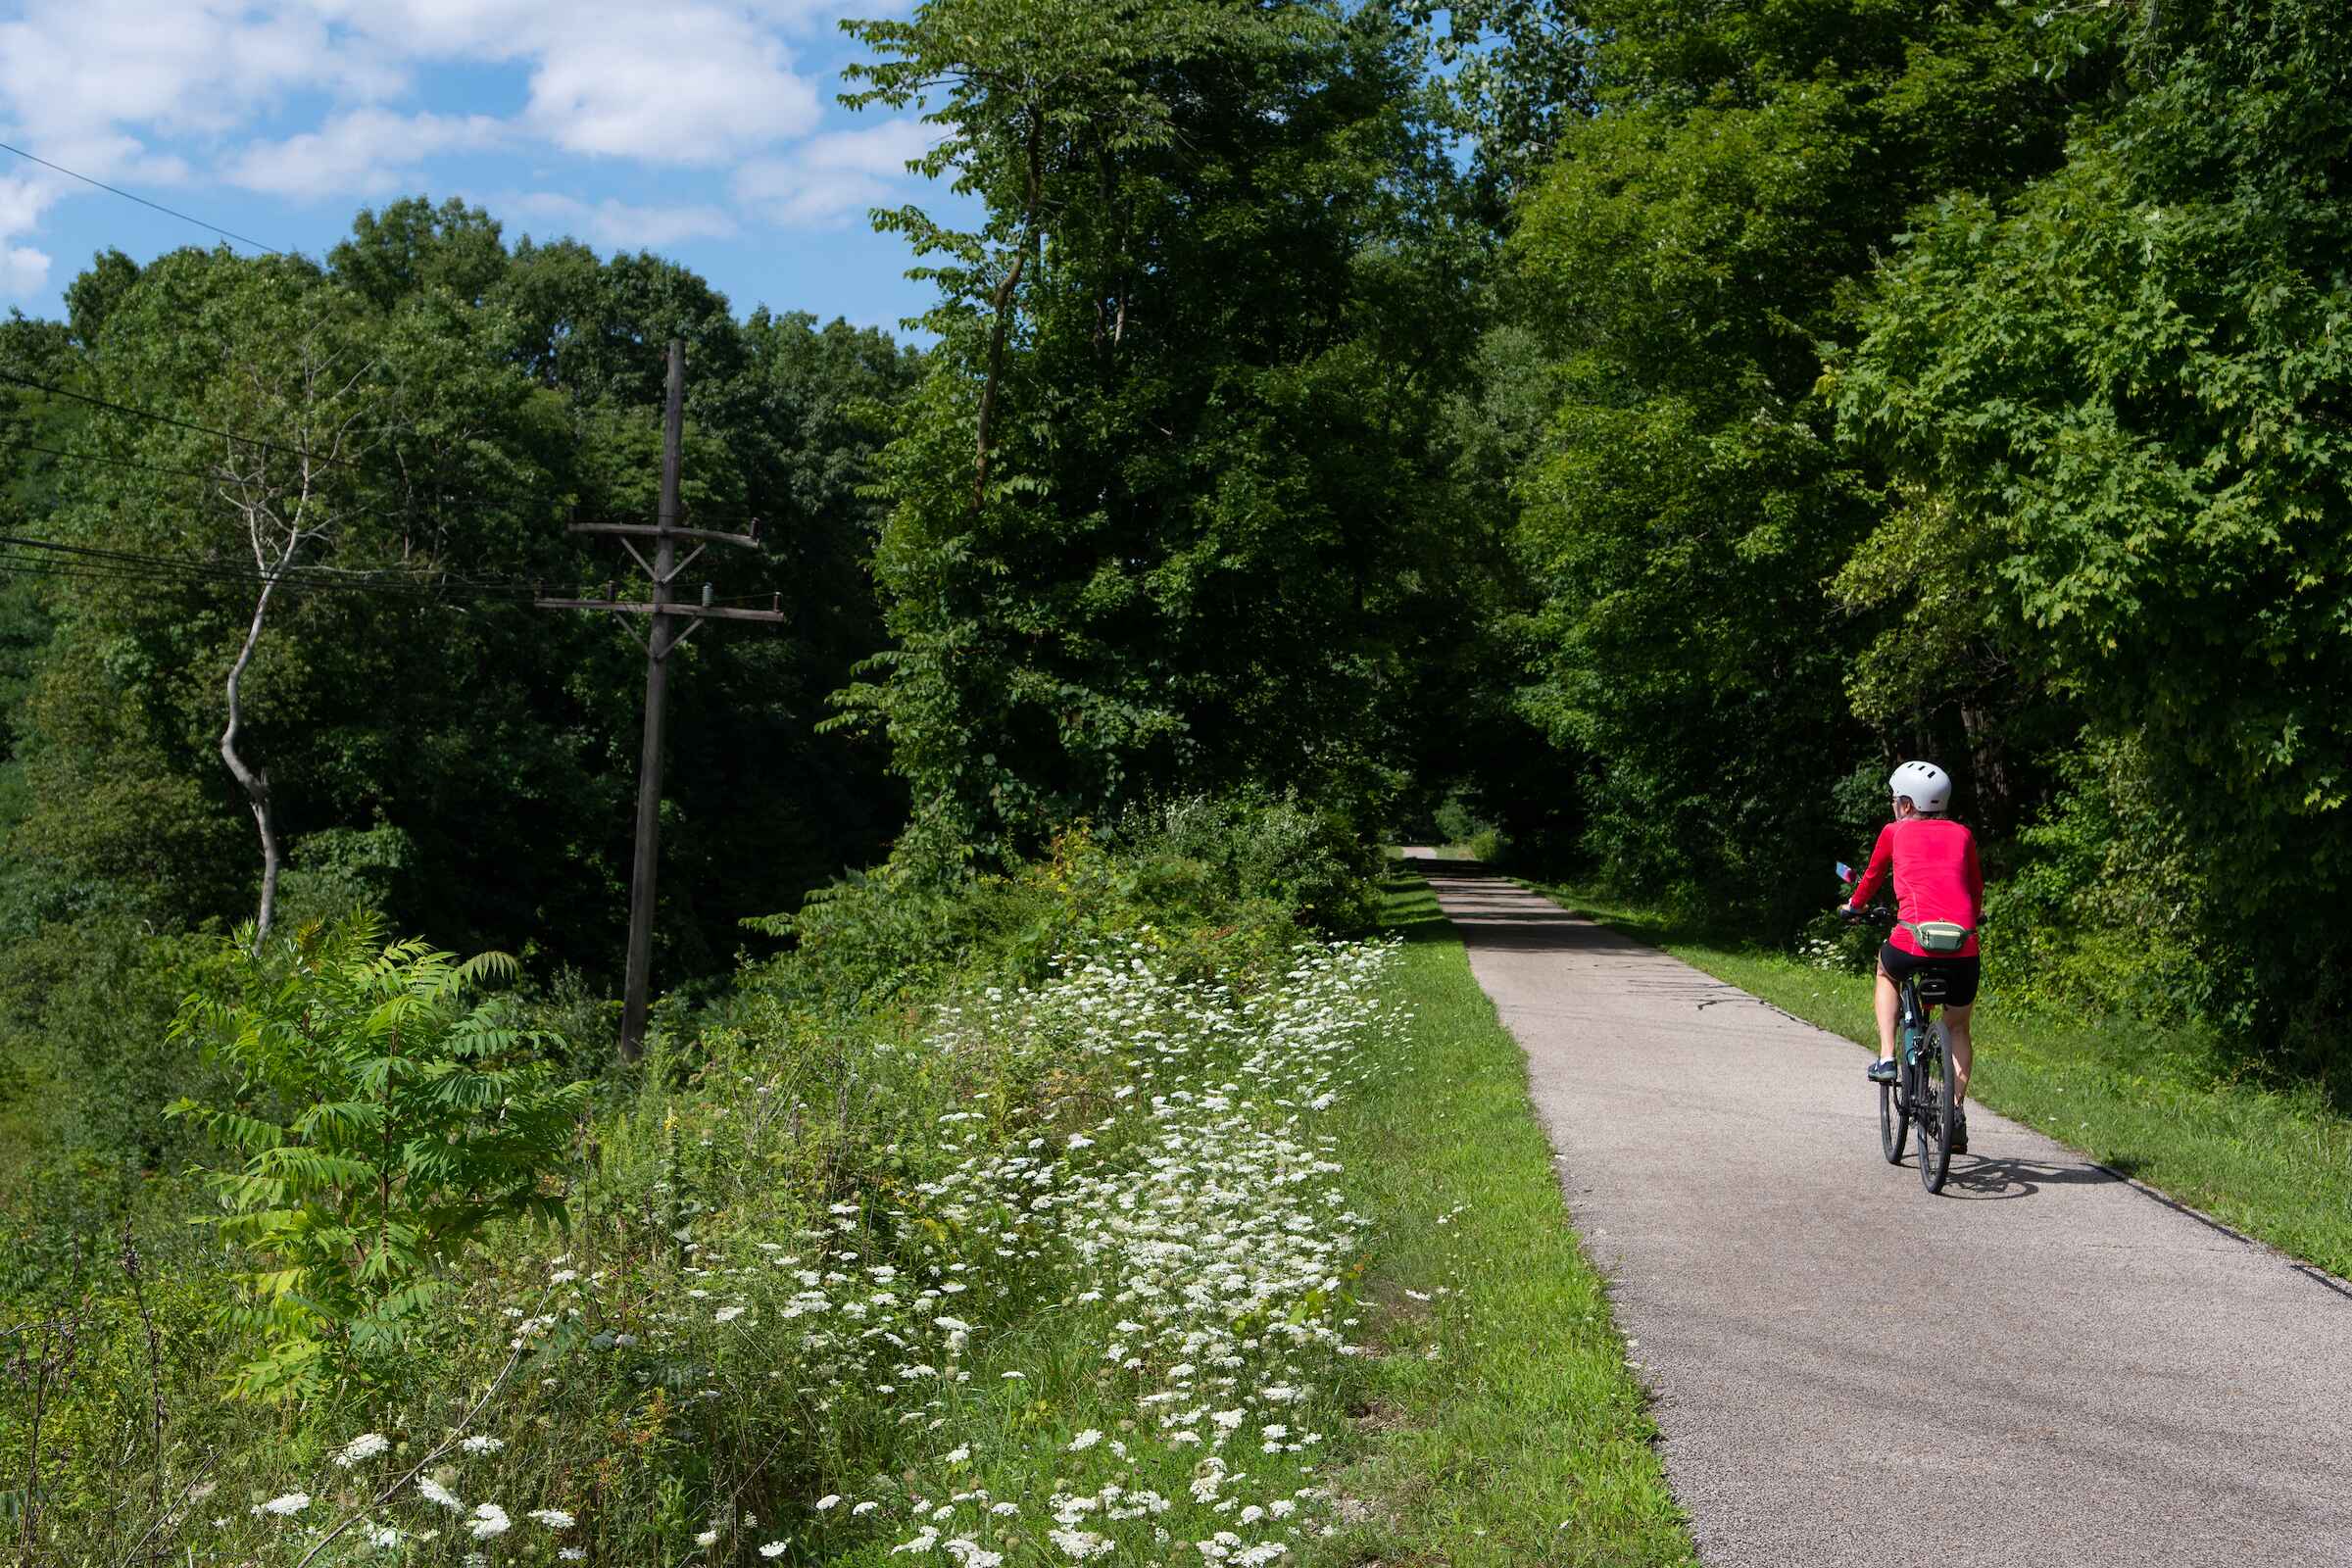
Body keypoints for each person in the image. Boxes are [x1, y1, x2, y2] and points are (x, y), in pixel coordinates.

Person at [1838, 760, 1984, 1153]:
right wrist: (1975, 915)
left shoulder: (1894, 832)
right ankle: (1953, 1110)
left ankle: (1887, 1056)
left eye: (1894, 799)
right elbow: (1974, 887)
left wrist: (1854, 906)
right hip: (1962, 947)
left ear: (1905, 804)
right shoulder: (1964, 835)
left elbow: (1870, 879)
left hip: (1912, 942)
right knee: (1958, 1029)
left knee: (1886, 971)